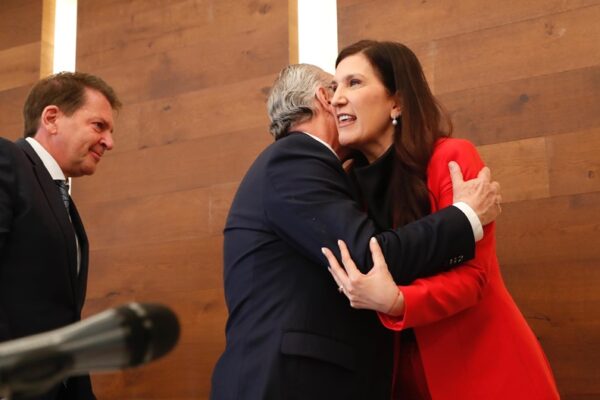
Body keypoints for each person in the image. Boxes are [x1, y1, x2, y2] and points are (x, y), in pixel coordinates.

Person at [210, 64, 502, 399]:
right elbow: (370, 257)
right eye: (340, 88)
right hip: (285, 383)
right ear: (325, 98)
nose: (345, 100)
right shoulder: (294, 159)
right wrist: (465, 217)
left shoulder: (307, 166)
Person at [322, 40, 559, 399]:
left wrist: (397, 301)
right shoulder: (344, 187)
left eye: (353, 83)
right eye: (334, 86)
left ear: (397, 102)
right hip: (400, 381)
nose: (337, 98)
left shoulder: (450, 157)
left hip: (484, 370)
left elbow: (473, 279)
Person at [0, 72, 121, 399]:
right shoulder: (6, 160)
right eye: (98, 126)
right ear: (52, 118)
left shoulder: (60, 197)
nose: (109, 142)